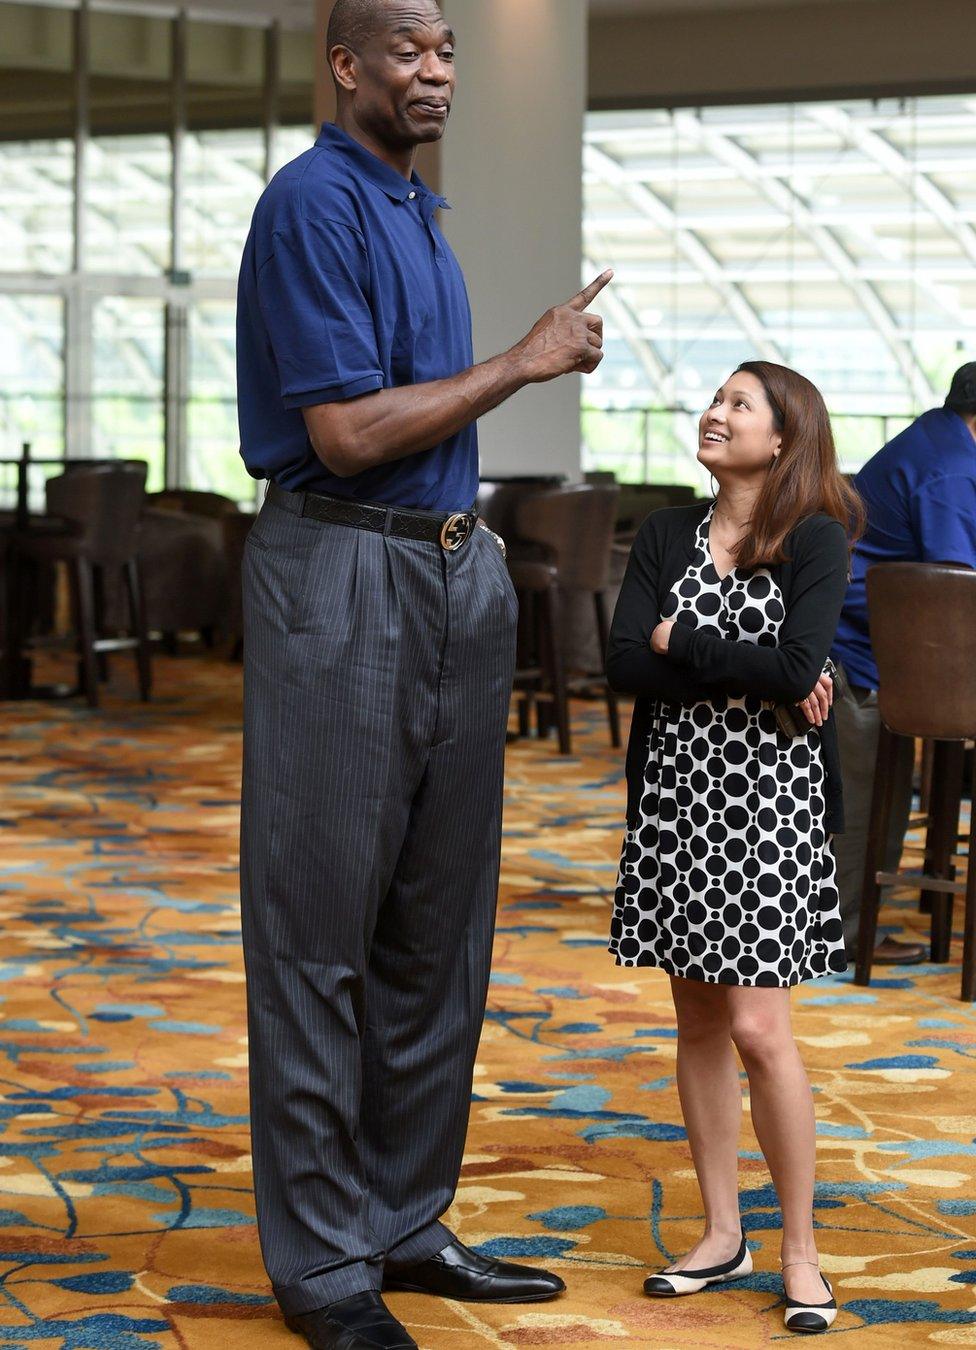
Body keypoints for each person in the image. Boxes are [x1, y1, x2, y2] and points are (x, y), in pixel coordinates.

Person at [235, 1, 610, 1345]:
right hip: (341, 568)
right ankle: (327, 1259)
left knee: (435, 933)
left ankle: (402, 1214)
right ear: (347, 66)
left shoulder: (416, 213)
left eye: (450, 48)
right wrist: (523, 361)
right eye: (410, 48)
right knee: (319, 932)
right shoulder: (312, 206)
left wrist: (510, 365)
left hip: (453, 572)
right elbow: (340, 434)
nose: (439, 69)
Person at [606, 361, 863, 1335]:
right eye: (715, 399)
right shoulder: (669, 531)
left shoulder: (815, 539)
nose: (715, 414)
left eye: (738, 405)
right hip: (676, 802)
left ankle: (799, 1249)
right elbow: (624, 661)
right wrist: (733, 670)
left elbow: (799, 665)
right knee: (700, 1027)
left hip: (768, 810)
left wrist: (687, 645)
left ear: (784, 437)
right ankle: (722, 1233)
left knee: (760, 1031)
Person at [831, 363, 976, 963]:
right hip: (863, 653)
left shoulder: (939, 440)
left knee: (872, 792)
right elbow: (960, 589)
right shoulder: (952, 469)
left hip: (891, 644)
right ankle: (840, 932)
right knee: (865, 798)